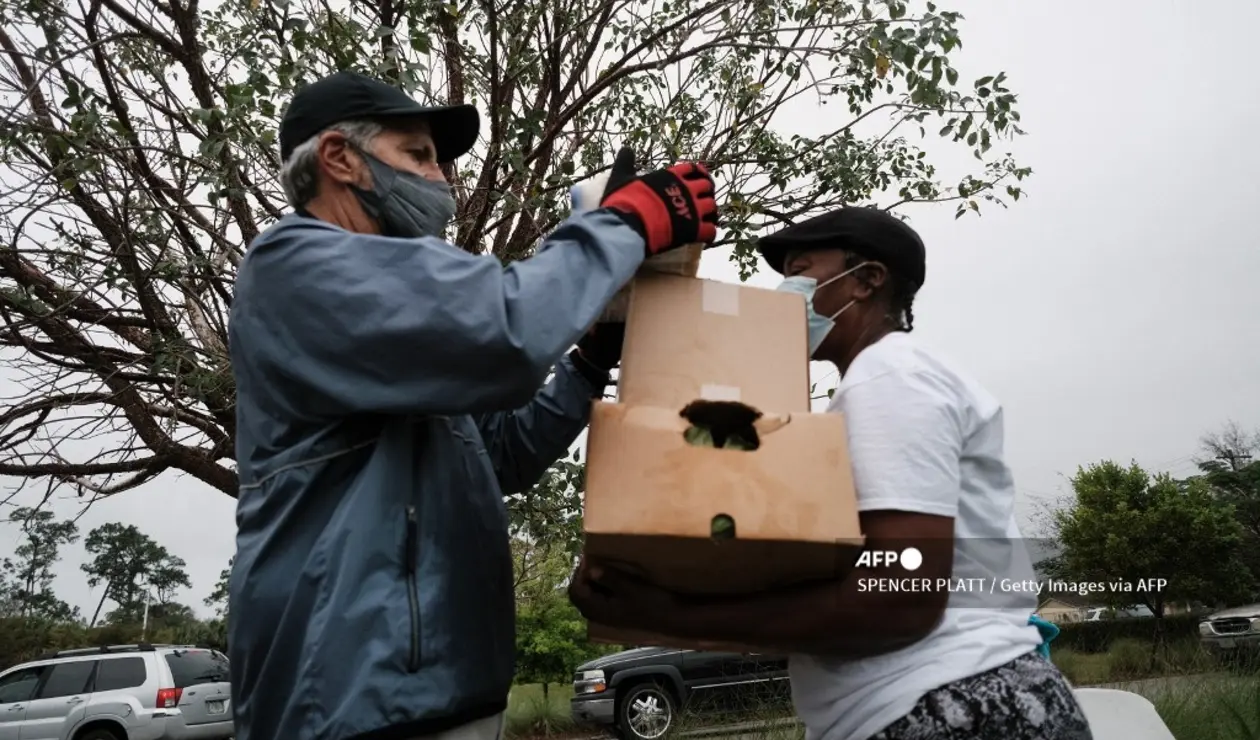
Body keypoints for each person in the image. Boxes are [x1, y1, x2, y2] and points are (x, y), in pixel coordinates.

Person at [226, 70, 718, 740]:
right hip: (349, 699)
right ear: (339, 157)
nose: (442, 179)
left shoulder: (401, 331)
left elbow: (503, 453)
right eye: (419, 154)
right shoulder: (295, 265)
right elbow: (506, 328)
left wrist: (590, 359)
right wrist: (627, 221)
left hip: (446, 693)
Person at [567, 206, 1093, 740]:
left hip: (956, 708)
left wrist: (670, 615)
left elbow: (900, 594)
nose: (785, 292)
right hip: (943, 702)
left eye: (800, 271)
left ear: (866, 280)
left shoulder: (889, 377)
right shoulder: (879, 382)